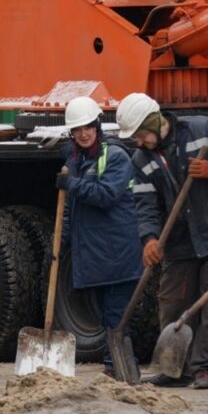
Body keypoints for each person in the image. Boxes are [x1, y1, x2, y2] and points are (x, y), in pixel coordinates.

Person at [116, 92, 208, 390]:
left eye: (140, 135)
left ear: (153, 122)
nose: (138, 142)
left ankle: (203, 370)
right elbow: (145, 204)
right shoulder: (141, 159)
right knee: (172, 305)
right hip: (178, 242)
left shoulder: (201, 131)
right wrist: (149, 239)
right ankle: (174, 369)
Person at [58, 97, 143, 377]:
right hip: (94, 252)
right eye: (77, 130)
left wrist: (73, 184)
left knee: (117, 314)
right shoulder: (74, 159)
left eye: (87, 127)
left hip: (117, 248)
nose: (83, 134)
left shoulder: (115, 155)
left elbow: (107, 195)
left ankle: (119, 369)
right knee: (103, 312)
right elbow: (72, 207)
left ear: (97, 126)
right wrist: (62, 238)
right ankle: (117, 367)